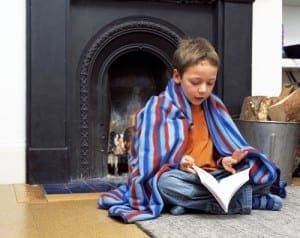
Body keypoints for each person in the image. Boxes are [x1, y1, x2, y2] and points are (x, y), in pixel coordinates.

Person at [98, 37, 286, 223]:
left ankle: (187, 204)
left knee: (261, 170)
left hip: (217, 176)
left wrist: (226, 160)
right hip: (183, 177)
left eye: (210, 83)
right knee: (164, 185)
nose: (203, 90)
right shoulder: (158, 108)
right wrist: (179, 162)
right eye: (195, 82)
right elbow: (148, 163)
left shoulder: (214, 106)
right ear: (177, 76)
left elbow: (218, 150)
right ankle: (242, 201)